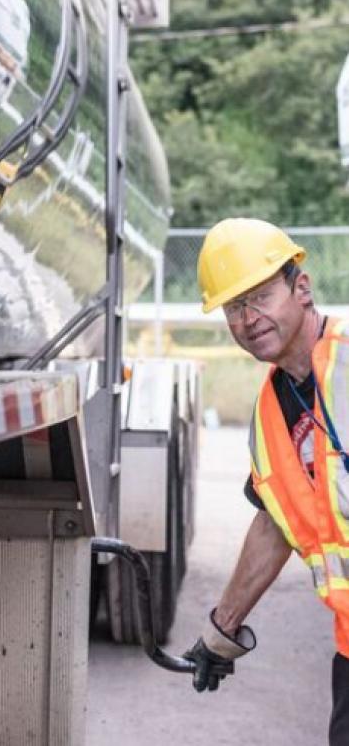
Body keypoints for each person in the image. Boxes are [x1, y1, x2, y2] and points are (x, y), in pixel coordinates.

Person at [184, 217, 349, 746]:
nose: (248, 318)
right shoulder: (269, 412)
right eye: (234, 307)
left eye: (259, 297)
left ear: (301, 288)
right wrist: (222, 628)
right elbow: (276, 524)